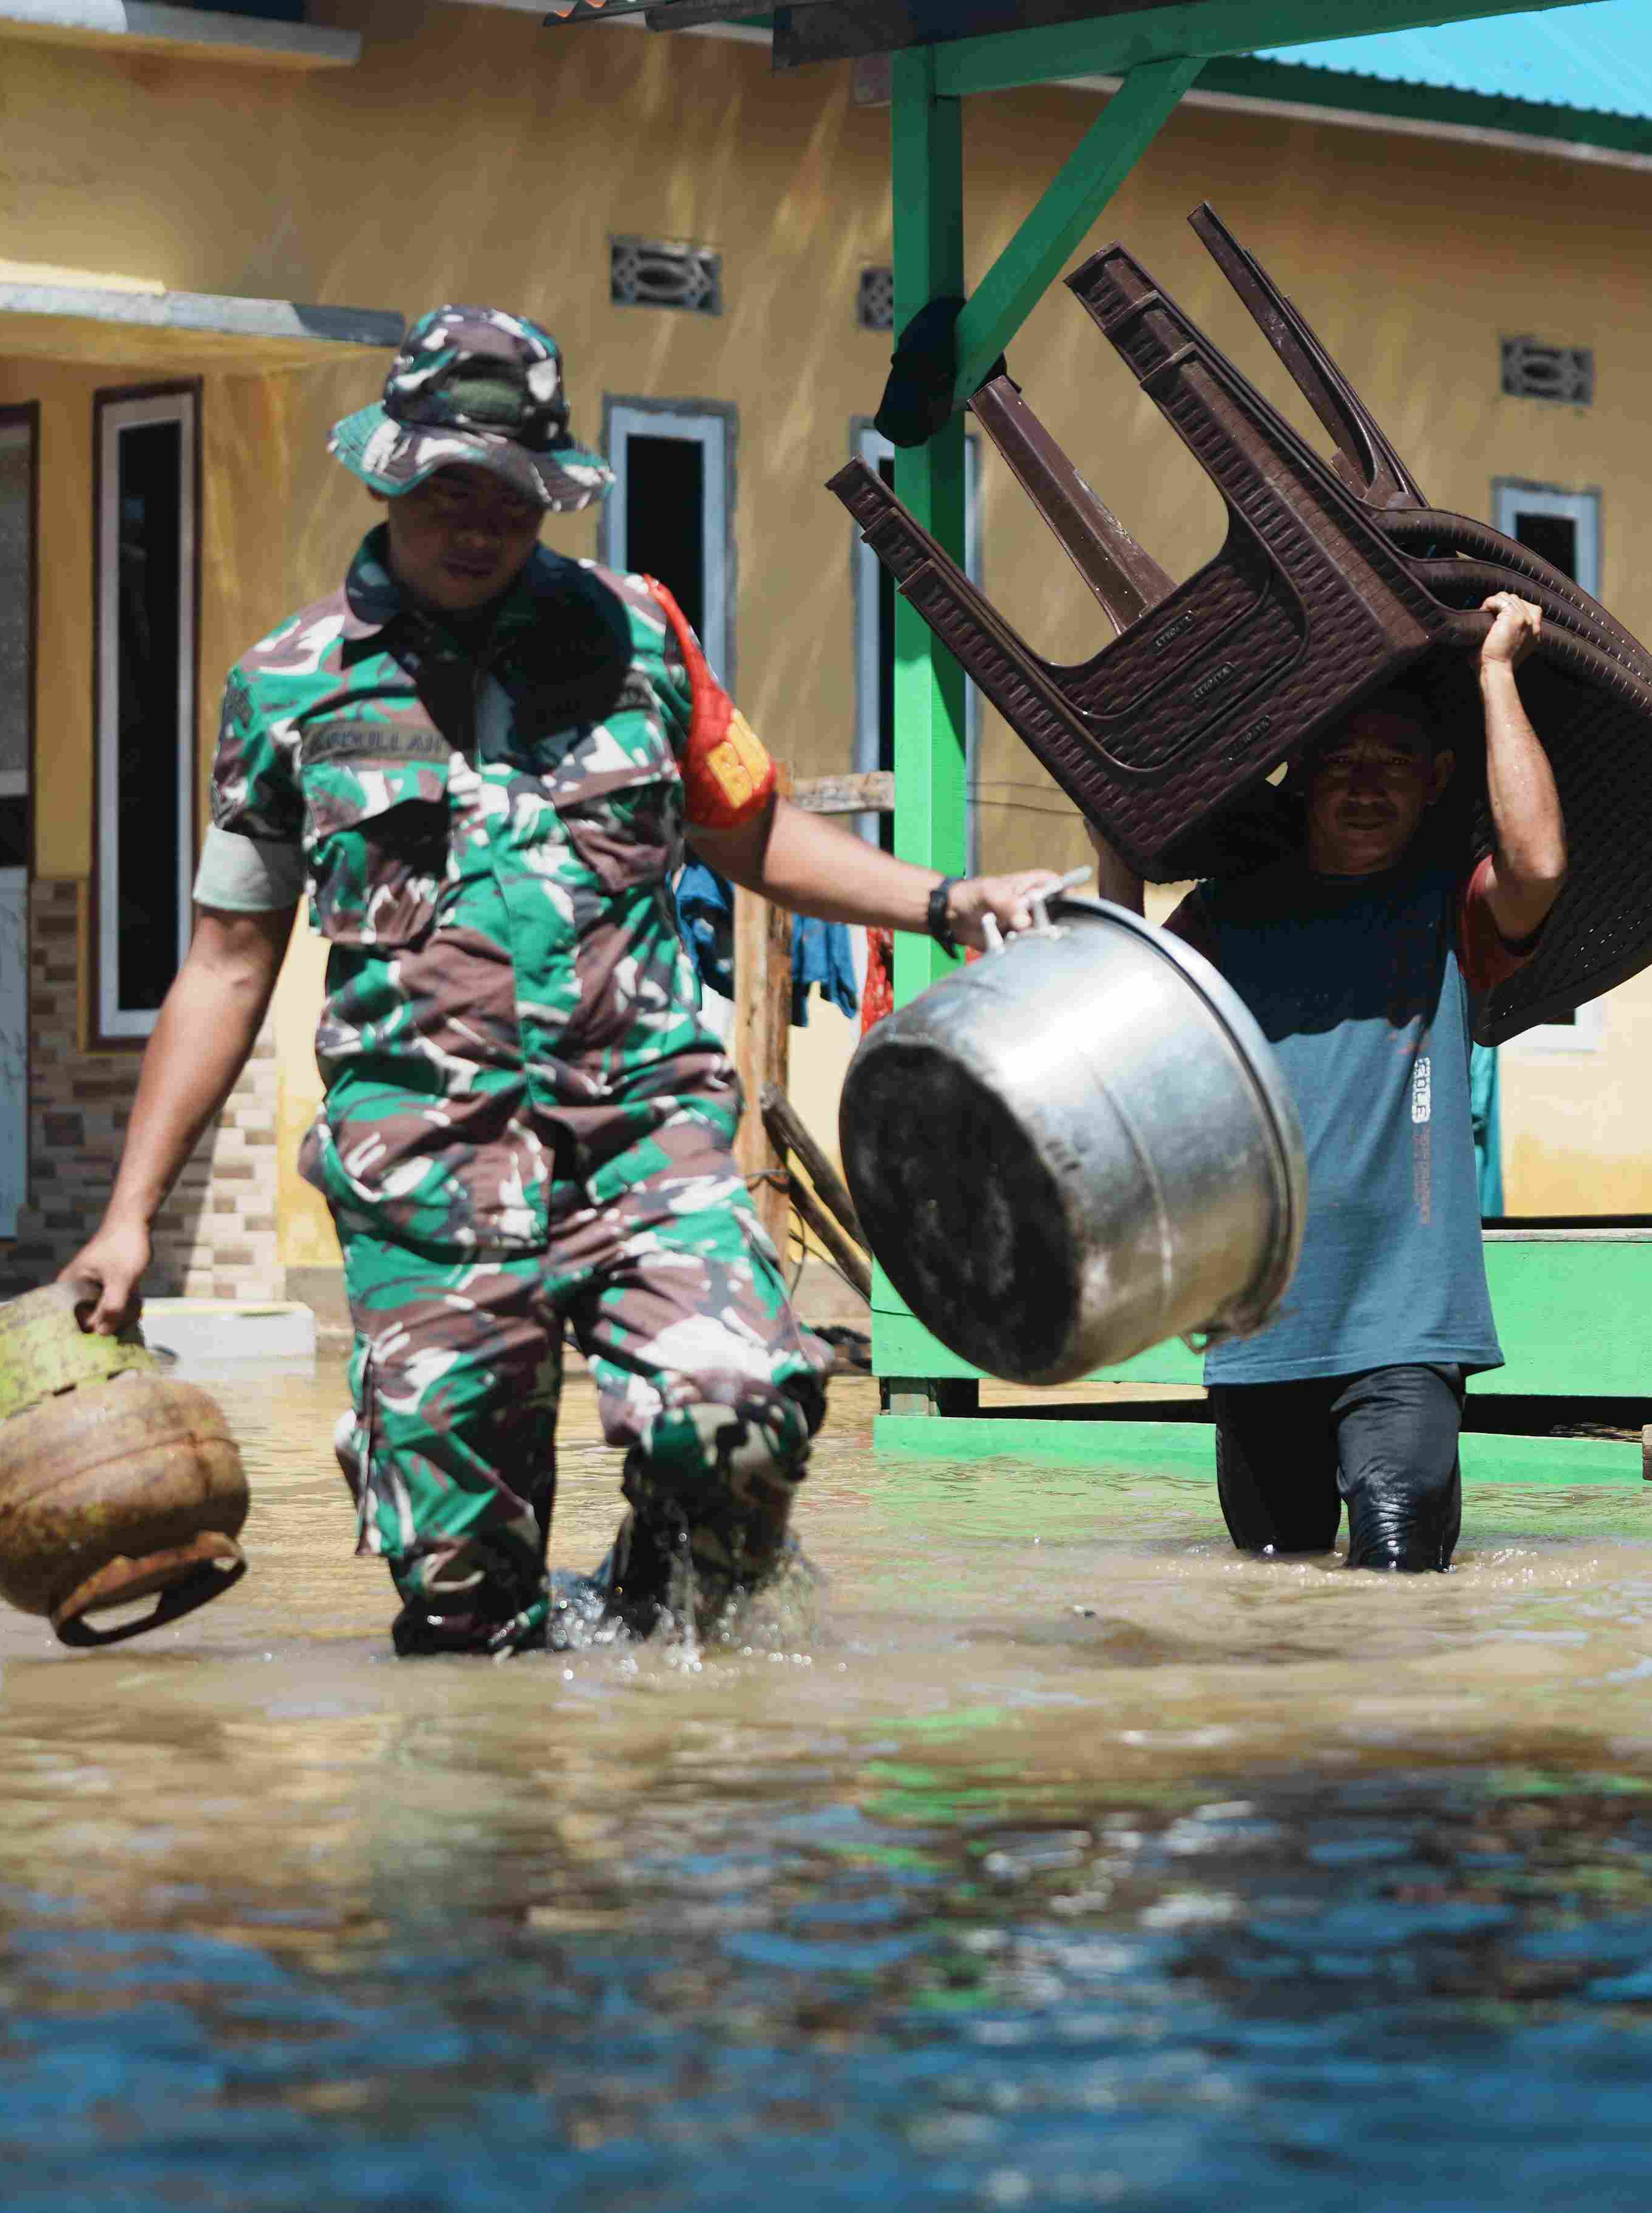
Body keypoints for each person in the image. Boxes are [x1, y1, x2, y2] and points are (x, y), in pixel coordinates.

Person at [60, 307, 1061, 1654]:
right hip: (427, 1179)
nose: (478, 524)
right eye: (452, 490)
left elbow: (748, 827)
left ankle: (666, 1616)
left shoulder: (636, 637)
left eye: (514, 497)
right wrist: (130, 1219)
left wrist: (946, 900)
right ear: (392, 473)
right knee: (463, 1601)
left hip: (642, 1144)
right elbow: (227, 962)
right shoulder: (287, 687)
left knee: (743, 1415)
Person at [1144, 592, 1565, 1569]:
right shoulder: (1228, 916)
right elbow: (1133, 1014)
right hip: (1257, 1325)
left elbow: (1537, 862)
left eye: (1394, 766)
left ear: (1437, 782)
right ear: (1301, 784)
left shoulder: (1447, 912)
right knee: (1274, 1586)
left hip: (1403, 1325)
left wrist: (1496, 675)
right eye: (1341, 764)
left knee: (1400, 1575)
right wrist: (1110, 848)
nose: (1366, 787)